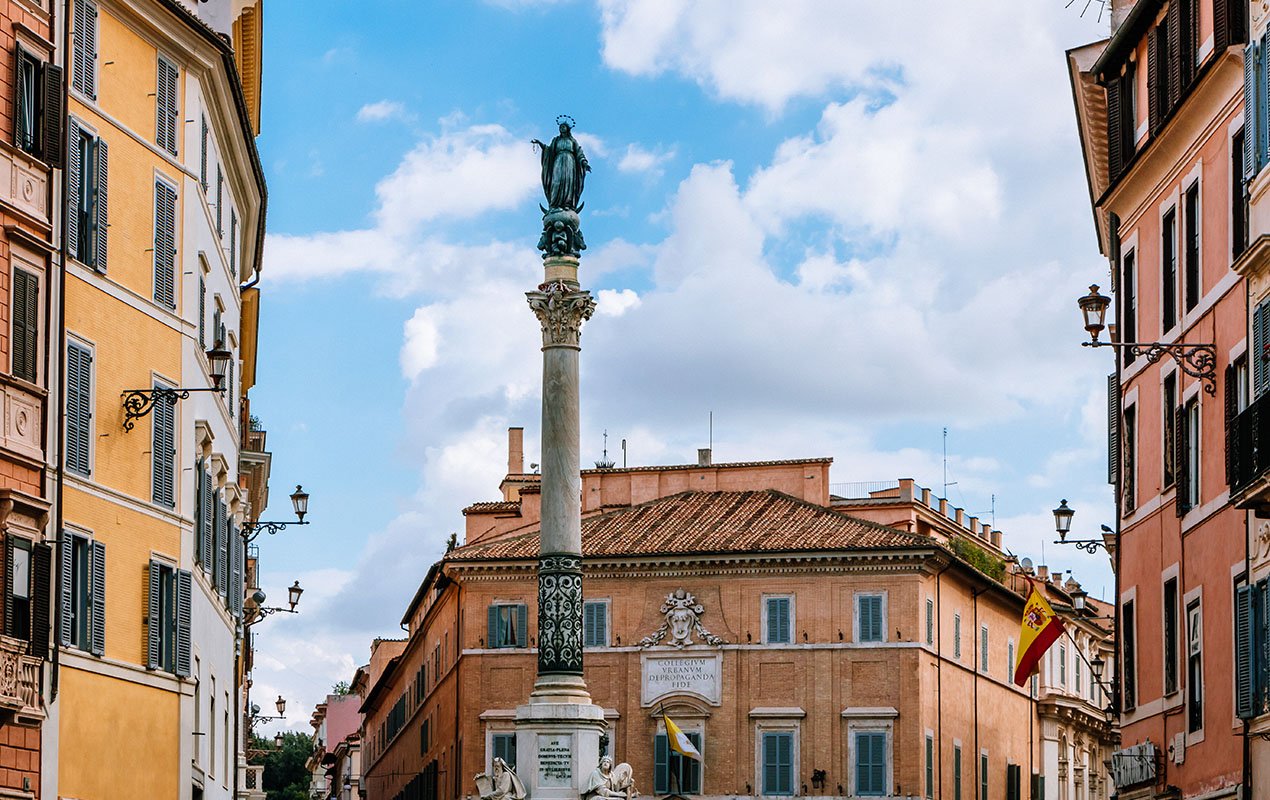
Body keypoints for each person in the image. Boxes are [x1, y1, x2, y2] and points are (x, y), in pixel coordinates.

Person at [532, 121, 590, 211]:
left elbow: (579, 153)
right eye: (560, 127)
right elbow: (549, 150)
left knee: (568, 181)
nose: (561, 128)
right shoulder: (556, 140)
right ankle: (555, 204)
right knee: (557, 181)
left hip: (570, 162)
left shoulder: (572, 141)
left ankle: (567, 203)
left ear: (567, 129)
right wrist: (540, 143)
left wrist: (584, 163)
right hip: (558, 161)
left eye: (563, 127)